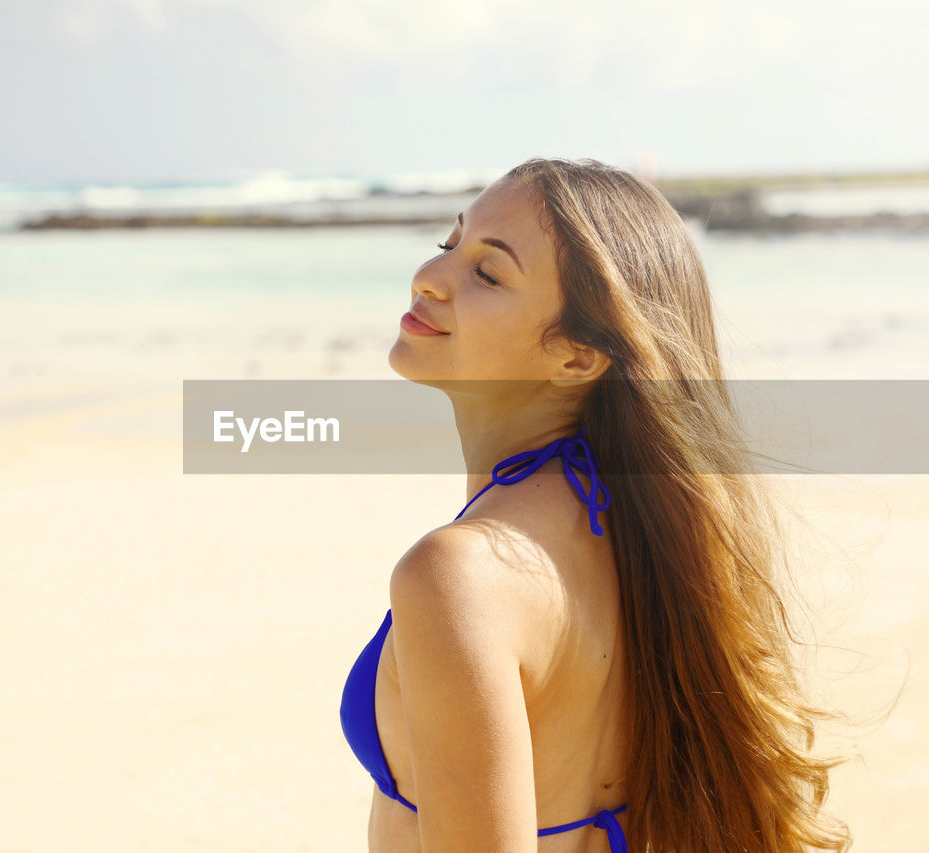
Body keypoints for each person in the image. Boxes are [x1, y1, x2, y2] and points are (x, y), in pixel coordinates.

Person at [339, 158, 851, 852]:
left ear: (579, 357)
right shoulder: (651, 537)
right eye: (449, 244)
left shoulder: (460, 575)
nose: (430, 278)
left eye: (489, 273)